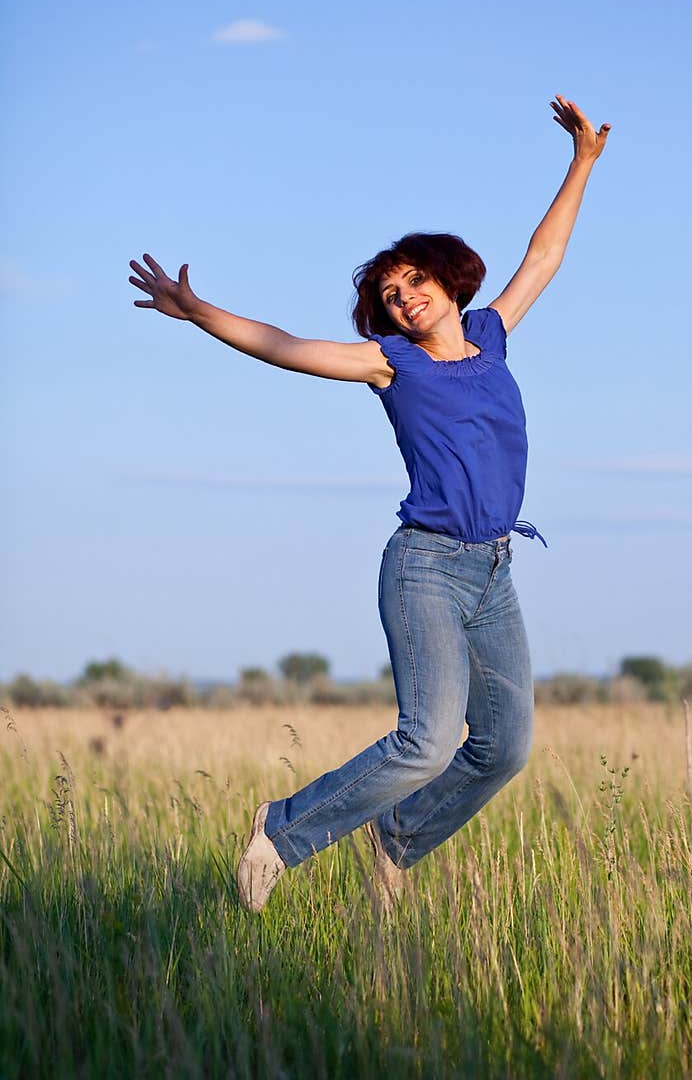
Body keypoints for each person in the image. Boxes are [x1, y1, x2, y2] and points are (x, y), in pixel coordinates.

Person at [128, 94, 611, 912]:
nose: (404, 297)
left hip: (493, 568)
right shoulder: (391, 365)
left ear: (448, 280)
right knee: (426, 741)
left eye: (415, 280)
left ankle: (398, 839)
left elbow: (545, 254)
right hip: (425, 565)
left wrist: (582, 163)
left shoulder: (492, 333)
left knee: (505, 748)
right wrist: (200, 312)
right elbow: (284, 346)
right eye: (390, 294)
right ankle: (281, 830)